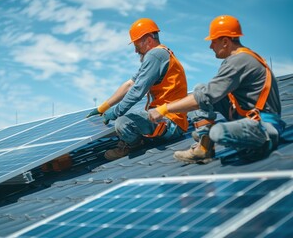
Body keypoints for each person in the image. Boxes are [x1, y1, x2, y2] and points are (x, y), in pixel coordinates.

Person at [148, 15, 285, 164]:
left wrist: (163, 110)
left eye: (213, 41)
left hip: (265, 128)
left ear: (225, 41)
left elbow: (206, 97)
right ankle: (204, 147)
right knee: (200, 88)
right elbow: (207, 92)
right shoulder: (238, 59)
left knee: (217, 131)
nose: (210, 46)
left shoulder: (240, 61)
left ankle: (261, 144)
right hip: (248, 118)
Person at [86, 18, 188, 161]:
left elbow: (137, 91)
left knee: (123, 123)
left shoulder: (155, 55)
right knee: (131, 117)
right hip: (165, 117)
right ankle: (142, 138)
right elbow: (129, 84)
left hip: (169, 120)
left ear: (148, 40)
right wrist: (103, 107)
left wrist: (115, 112)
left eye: (136, 45)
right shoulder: (159, 55)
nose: (135, 50)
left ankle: (133, 145)